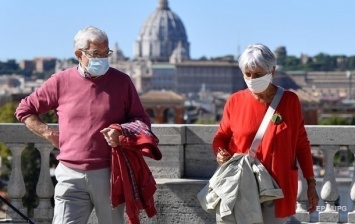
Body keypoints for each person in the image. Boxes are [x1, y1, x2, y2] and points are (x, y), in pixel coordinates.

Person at [15, 26, 153, 224]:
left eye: (106, 54)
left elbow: (142, 121)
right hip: (69, 174)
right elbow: (24, 110)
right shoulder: (60, 81)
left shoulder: (123, 82)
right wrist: (50, 134)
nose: (103, 59)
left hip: (109, 174)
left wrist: (120, 133)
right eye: (96, 54)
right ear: (79, 54)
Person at [212, 43, 319, 223]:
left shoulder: (290, 101)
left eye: (258, 74)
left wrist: (311, 183)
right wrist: (220, 153)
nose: (252, 78)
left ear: (272, 72)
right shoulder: (234, 101)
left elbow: (301, 144)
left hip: (278, 187)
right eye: (248, 74)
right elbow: (221, 137)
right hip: (242, 185)